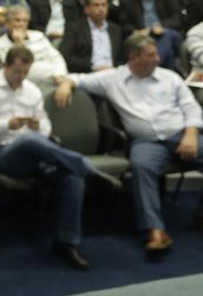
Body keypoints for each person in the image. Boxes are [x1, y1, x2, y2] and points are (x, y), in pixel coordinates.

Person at [0, 47, 122, 270]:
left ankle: (66, 243)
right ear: (6, 66)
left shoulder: (31, 90)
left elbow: (46, 125)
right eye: (16, 72)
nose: (20, 78)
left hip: (39, 153)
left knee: (72, 177)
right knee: (29, 141)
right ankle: (88, 168)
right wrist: (6, 124)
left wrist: (40, 126)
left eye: (25, 73)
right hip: (4, 154)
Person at [55, 34, 203, 254]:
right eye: (151, 55)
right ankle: (155, 230)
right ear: (134, 58)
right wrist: (66, 85)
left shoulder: (170, 77)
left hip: (181, 135)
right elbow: (77, 78)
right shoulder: (113, 78)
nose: (158, 58)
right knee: (141, 166)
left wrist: (190, 135)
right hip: (147, 142)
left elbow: (191, 108)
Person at [116, 0, 183, 70]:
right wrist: (136, 31)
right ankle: (165, 72)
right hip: (141, 35)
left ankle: (154, 66)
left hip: (162, 32)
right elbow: (123, 24)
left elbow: (177, 19)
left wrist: (162, 26)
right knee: (169, 49)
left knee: (169, 35)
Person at [0, 6, 68, 94]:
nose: (21, 24)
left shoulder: (39, 36)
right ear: (7, 23)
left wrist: (60, 75)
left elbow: (56, 58)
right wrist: (18, 44)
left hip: (54, 80)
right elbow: (16, 69)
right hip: (23, 86)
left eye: (25, 21)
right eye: (17, 20)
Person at [59, 0, 123, 73]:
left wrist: (114, 68)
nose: (101, 9)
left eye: (104, 5)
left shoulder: (115, 29)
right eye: (96, 5)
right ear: (86, 9)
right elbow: (66, 57)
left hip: (113, 74)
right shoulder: (75, 28)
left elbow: (121, 58)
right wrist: (93, 67)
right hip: (88, 73)